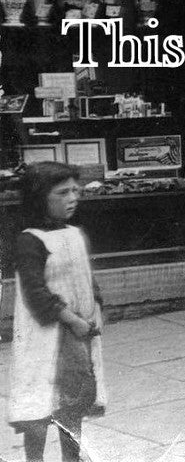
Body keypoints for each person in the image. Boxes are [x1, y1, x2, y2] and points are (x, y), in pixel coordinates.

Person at [9, 162, 105, 462]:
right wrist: (73, 320)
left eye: (76, 191)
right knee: (39, 405)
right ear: (40, 197)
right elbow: (37, 294)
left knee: (72, 403)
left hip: (78, 334)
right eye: (62, 192)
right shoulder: (31, 240)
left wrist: (96, 310)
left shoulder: (75, 233)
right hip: (46, 334)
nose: (72, 197)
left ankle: (71, 458)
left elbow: (86, 277)